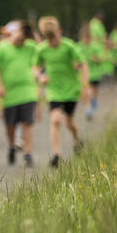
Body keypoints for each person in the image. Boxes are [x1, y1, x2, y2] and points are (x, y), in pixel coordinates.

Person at [34, 16, 90, 168]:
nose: (52, 42)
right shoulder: (42, 49)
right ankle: (56, 154)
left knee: (69, 122)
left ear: (59, 32)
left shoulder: (69, 46)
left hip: (71, 89)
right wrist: (40, 76)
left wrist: (85, 86)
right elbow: (35, 67)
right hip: (53, 90)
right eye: (48, 39)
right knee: (56, 119)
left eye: (54, 37)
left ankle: (77, 140)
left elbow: (83, 64)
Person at [0, 21, 37, 168]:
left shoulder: (31, 47)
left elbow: (42, 52)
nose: (20, 41)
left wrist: (33, 35)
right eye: (19, 37)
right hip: (9, 93)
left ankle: (27, 153)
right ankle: (11, 145)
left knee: (27, 123)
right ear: (14, 32)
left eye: (23, 39)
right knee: (11, 125)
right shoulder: (1, 48)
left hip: (28, 91)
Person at [79, 22, 108, 121]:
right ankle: (88, 109)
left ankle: (93, 102)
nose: (86, 40)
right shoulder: (79, 47)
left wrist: (94, 58)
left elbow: (101, 59)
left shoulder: (95, 47)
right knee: (87, 92)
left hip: (95, 73)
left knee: (94, 91)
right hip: (85, 75)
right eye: (84, 38)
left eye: (88, 38)